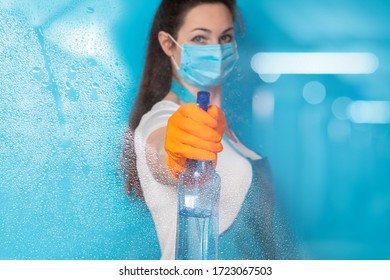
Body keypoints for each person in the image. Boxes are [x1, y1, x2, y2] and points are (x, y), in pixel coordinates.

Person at [122, 0, 297, 260]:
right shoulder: (162, 116)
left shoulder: (225, 130)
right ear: (168, 44)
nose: (215, 49)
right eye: (200, 38)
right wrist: (173, 156)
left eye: (225, 37)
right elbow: (159, 148)